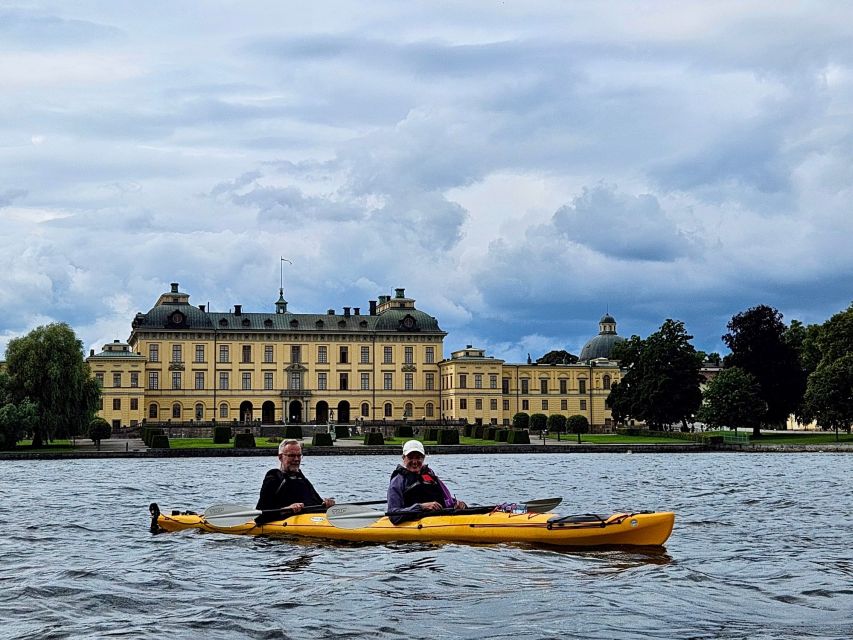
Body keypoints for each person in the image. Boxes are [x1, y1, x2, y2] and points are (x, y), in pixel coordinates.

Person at [255, 439, 335, 524]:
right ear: (280, 457)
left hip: (308, 522)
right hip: (283, 528)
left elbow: (317, 504)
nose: (296, 459)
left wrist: (327, 505)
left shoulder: (301, 478)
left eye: (299, 455)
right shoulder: (274, 477)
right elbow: (260, 516)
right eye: (292, 455)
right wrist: (286, 510)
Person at [387, 440, 467, 524]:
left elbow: (446, 500)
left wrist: (459, 505)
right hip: (416, 525)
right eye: (410, 457)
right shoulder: (397, 481)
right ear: (403, 458)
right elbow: (394, 515)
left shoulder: (429, 475)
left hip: (440, 521)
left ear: (423, 458)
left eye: (418, 457)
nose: (414, 462)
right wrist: (421, 507)